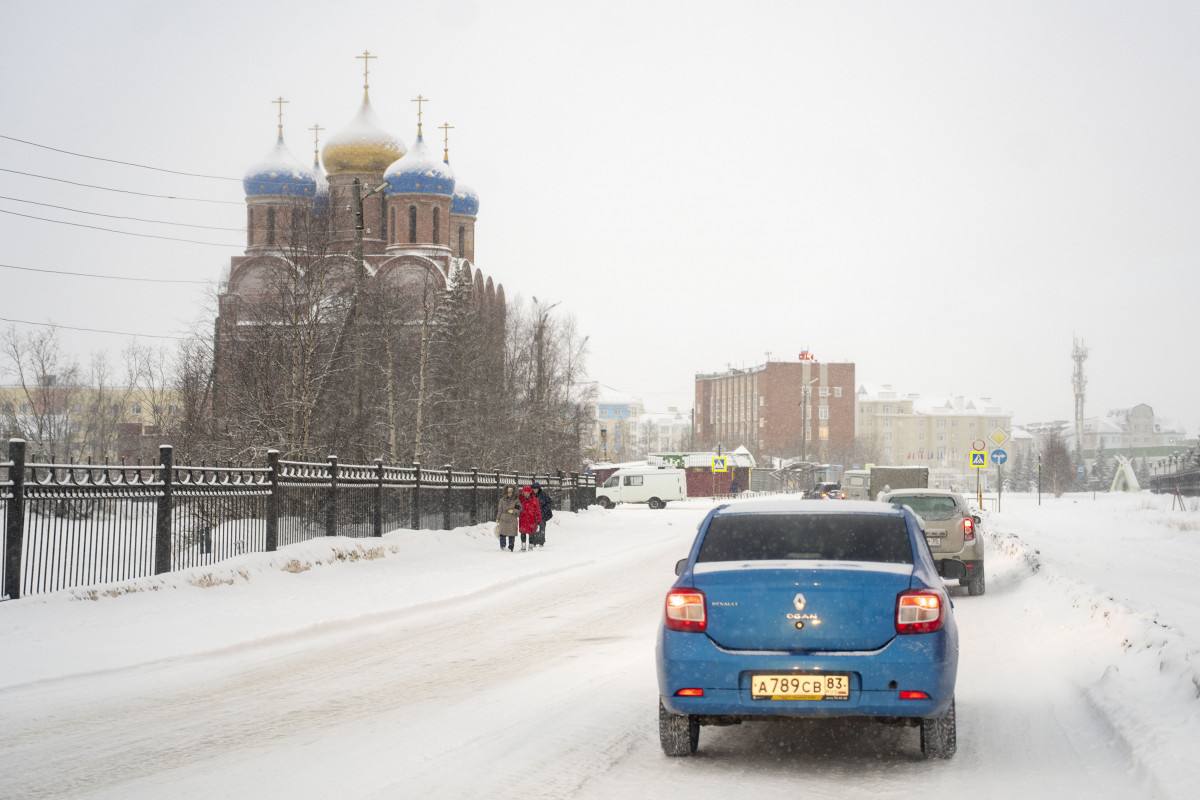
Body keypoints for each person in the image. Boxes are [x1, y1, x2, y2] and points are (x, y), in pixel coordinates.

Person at [517, 485, 542, 552]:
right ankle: (523, 546)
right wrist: (518, 510)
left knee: (531, 533)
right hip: (523, 519)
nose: (526, 494)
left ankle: (531, 546)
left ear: (530, 492)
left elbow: (537, 510)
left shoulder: (534, 500)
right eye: (524, 492)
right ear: (523, 492)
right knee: (523, 533)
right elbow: (516, 508)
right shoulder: (520, 499)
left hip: (532, 519)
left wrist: (539, 520)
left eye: (527, 492)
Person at [495, 485, 520, 552]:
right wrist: (498, 518)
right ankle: (503, 547)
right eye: (508, 492)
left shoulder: (516, 500)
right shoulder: (502, 500)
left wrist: (514, 511)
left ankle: (510, 547)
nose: (509, 493)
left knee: (512, 534)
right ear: (506, 492)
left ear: (513, 492)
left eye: (511, 492)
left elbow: (518, 509)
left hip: (512, 519)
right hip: (503, 519)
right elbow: (499, 510)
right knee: (502, 533)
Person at [531, 481, 554, 547]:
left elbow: (549, 502)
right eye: (534, 488)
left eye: (536, 488)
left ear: (539, 488)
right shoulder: (531, 495)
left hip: (542, 515)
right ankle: (534, 542)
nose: (535, 489)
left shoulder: (543, 494)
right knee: (533, 528)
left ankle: (541, 542)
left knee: (542, 528)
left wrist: (544, 510)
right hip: (533, 515)